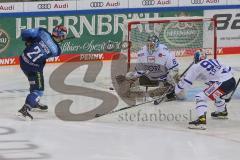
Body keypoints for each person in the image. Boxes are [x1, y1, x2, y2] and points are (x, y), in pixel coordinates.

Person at [175, 50, 236, 130]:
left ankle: (201, 121)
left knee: (200, 97)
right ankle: (222, 111)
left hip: (222, 83)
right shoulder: (214, 60)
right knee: (215, 91)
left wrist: (176, 89)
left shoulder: (196, 66)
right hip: (232, 81)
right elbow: (231, 70)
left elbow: (186, 83)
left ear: (196, 58)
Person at [17, 25, 67, 121]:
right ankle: (25, 108)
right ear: (62, 36)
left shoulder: (42, 32)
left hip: (23, 60)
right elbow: (48, 50)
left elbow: (25, 33)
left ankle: (34, 102)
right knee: (38, 91)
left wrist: (28, 41)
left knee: (33, 83)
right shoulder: (57, 50)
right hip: (34, 68)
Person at [116, 34, 180, 102]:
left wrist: (171, 75)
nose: (149, 47)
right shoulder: (142, 52)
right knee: (129, 76)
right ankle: (126, 87)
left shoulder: (165, 52)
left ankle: (171, 92)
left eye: (151, 45)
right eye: (148, 45)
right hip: (149, 77)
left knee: (172, 78)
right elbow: (140, 69)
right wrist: (133, 75)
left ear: (157, 45)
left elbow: (175, 68)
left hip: (163, 78)